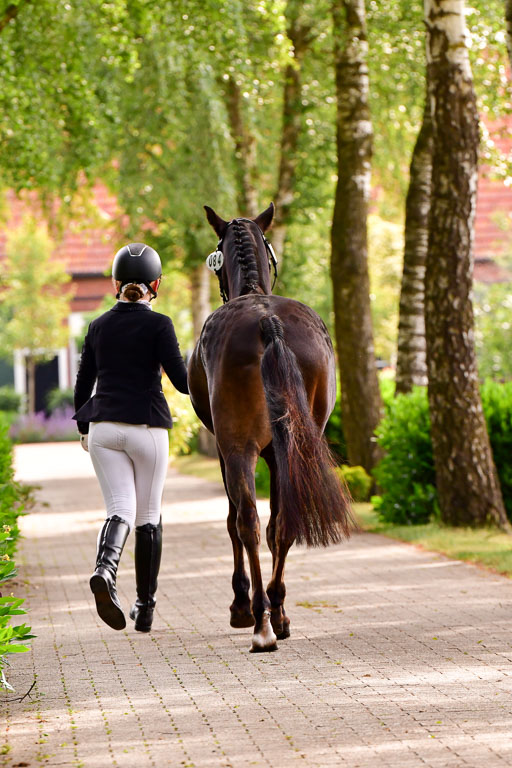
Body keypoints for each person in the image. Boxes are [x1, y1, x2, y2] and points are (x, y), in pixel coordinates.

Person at [73, 243, 189, 633]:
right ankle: (145, 606)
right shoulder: (161, 325)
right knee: (149, 516)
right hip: (147, 428)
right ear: (156, 285)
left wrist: (84, 430)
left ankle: (105, 571)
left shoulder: (97, 326)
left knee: (119, 509)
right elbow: (183, 382)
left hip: (104, 429)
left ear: (115, 284)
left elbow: (82, 386)